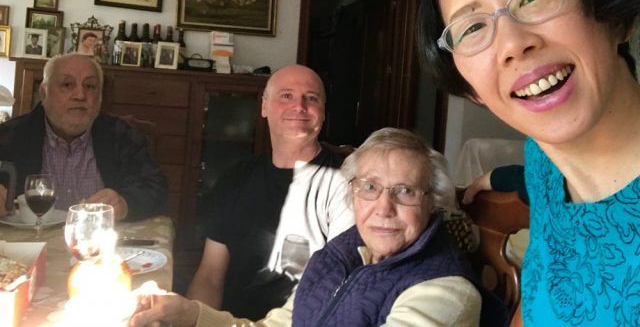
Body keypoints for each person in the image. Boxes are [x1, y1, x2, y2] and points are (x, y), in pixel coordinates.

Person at [416, 0, 640, 325]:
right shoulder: (545, 165)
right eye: (472, 27)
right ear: (472, 90)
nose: (513, 43)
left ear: (615, 16)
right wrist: (488, 179)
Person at [130, 127, 501, 327]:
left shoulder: (443, 291)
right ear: (352, 192)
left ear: (433, 201)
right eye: (369, 188)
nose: (383, 208)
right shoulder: (340, 253)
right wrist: (191, 315)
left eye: (405, 191)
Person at [185, 64, 354, 319]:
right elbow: (210, 276)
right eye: (286, 96)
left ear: (323, 112)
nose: (299, 106)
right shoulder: (235, 178)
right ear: (264, 106)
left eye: (311, 98)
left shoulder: (346, 183)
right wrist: (194, 320)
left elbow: (339, 288)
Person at [0, 53, 168, 221]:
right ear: (44, 94)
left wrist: (125, 203)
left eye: (90, 86)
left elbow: (155, 187)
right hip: (26, 237)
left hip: (99, 235)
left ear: (100, 98)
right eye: (67, 84)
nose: (80, 95)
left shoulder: (123, 135)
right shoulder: (8, 136)